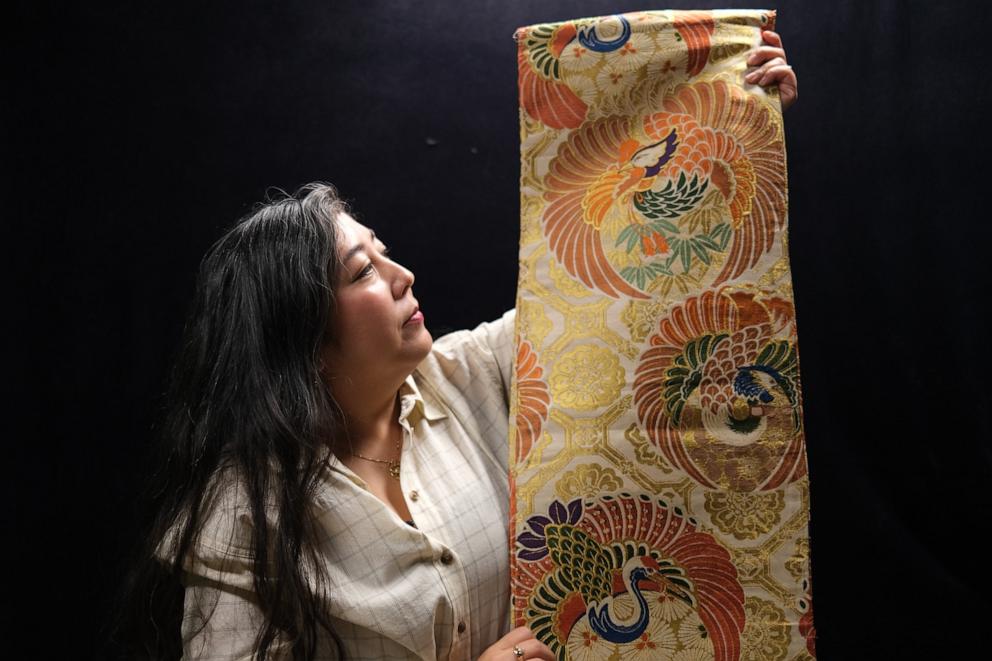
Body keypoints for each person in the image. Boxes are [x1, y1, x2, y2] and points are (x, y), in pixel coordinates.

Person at [115, 29, 796, 661]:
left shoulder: (472, 375)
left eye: (384, 253)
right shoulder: (241, 520)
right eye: (362, 272)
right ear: (302, 336)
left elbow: (629, 287)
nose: (402, 274)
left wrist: (725, 109)